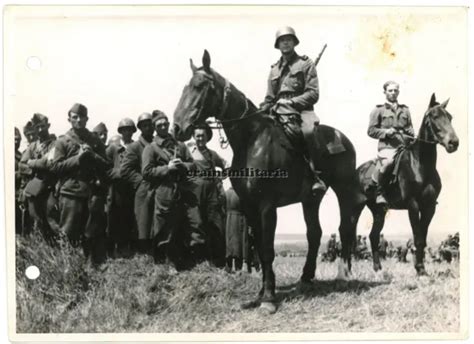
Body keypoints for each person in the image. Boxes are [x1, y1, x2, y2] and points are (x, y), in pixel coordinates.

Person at [259, 26, 326, 193]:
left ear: (294, 42)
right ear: (278, 44)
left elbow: (313, 93)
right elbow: (269, 97)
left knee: (308, 132)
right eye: (282, 40)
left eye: (289, 39)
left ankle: (314, 175)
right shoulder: (274, 69)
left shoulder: (305, 63)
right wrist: (262, 108)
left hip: (302, 110)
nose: (285, 42)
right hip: (277, 111)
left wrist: (291, 103)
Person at [141, 111, 206, 269]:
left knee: (194, 223)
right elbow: (146, 172)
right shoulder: (151, 148)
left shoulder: (180, 145)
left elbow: (194, 165)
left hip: (184, 190)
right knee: (164, 229)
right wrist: (167, 168)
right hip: (165, 191)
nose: (163, 127)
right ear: (155, 128)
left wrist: (184, 166)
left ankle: (196, 263)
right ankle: (165, 265)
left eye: (165, 123)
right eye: (159, 125)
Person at [50, 103, 111, 266]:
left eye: (82, 117)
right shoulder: (62, 141)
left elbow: (106, 165)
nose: (78, 120)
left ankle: (91, 267)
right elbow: (56, 167)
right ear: (69, 119)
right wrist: (78, 158)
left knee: (91, 233)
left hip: (91, 192)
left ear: (87, 119)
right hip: (70, 193)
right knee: (68, 233)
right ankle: (67, 267)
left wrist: (92, 155)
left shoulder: (94, 140)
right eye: (74, 117)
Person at [367, 81, 415, 204]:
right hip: (388, 147)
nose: (393, 93)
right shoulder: (378, 110)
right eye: (390, 90)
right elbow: (371, 131)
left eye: (395, 90)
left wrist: (410, 131)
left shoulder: (405, 110)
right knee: (388, 163)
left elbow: (410, 128)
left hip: (405, 146)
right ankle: (380, 193)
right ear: (385, 92)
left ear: (398, 92)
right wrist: (386, 132)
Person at [189, 123, 227, 267]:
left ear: (207, 137)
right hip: (194, 192)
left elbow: (225, 164)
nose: (200, 139)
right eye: (197, 136)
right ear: (193, 136)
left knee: (214, 224)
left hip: (211, 193)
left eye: (203, 136)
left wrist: (221, 177)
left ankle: (216, 263)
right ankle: (198, 262)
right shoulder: (188, 152)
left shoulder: (212, 154)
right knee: (197, 224)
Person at [19, 113, 59, 243]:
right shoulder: (33, 146)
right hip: (35, 188)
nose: (40, 130)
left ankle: (61, 248)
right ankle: (45, 248)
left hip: (51, 187)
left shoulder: (55, 144)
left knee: (51, 218)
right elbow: (21, 165)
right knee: (36, 218)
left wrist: (31, 163)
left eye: (42, 126)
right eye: (37, 127)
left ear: (48, 126)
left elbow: (49, 163)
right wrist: (36, 166)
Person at [120, 112, 156, 255]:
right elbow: (125, 170)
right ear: (140, 128)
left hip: (158, 187)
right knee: (143, 222)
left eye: (150, 125)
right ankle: (143, 254)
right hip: (144, 189)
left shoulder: (157, 143)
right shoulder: (134, 147)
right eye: (144, 126)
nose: (148, 128)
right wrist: (140, 181)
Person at [106, 118, 137, 258]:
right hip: (116, 187)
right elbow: (105, 167)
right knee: (114, 216)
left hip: (131, 187)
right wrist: (117, 173)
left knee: (129, 215)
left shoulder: (136, 147)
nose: (127, 132)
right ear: (120, 132)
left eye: (129, 129)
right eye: (124, 130)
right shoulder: (113, 148)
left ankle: (128, 246)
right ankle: (113, 247)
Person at [15, 127, 23, 235]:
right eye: (13, 139)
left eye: (18, 139)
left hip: (19, 194)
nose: (16, 142)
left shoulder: (20, 154)